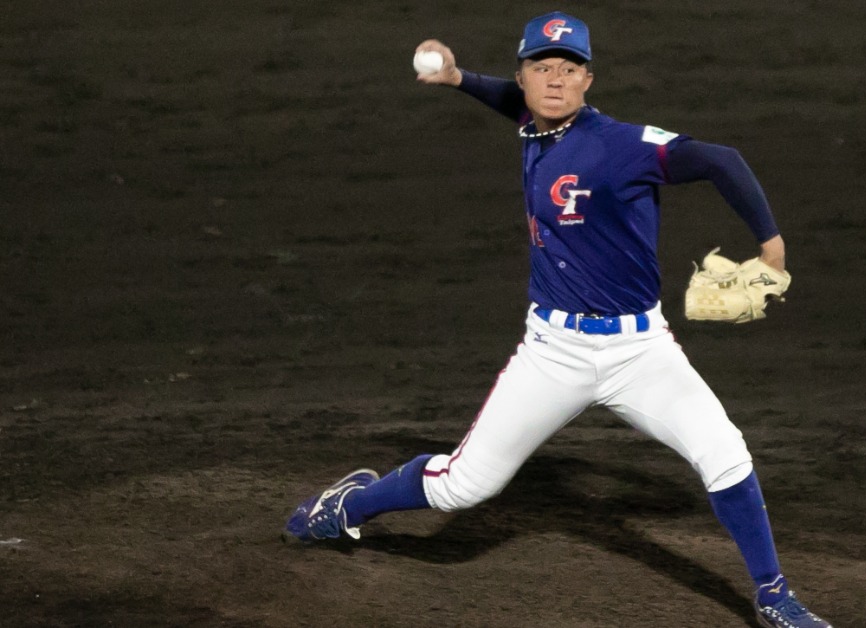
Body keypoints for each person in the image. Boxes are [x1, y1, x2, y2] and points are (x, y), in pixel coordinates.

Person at [285, 11, 832, 628]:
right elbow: (514, 103)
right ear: (523, 77)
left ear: (587, 80)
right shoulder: (532, 125)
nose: (554, 79)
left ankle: (773, 594)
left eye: (568, 70)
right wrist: (459, 78)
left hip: (641, 354)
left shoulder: (623, 145)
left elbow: (722, 160)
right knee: (462, 488)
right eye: (541, 68)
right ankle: (349, 505)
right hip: (552, 353)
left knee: (725, 451)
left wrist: (771, 245)